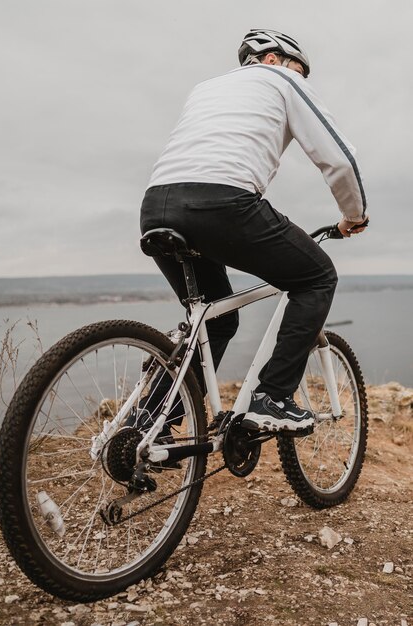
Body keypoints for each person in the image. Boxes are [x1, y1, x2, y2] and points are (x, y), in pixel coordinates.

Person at [139, 29, 368, 435]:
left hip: (157, 206)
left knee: (215, 319)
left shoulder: (206, 88)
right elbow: (338, 158)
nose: (302, 78)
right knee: (317, 277)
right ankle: (273, 399)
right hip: (222, 203)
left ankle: (152, 423)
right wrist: (354, 213)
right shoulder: (282, 79)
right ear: (273, 59)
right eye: (300, 69)